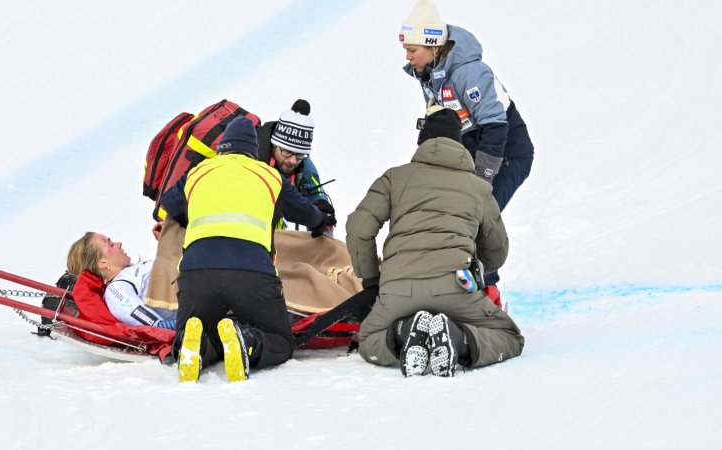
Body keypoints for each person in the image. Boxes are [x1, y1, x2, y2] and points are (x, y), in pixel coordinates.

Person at [345, 106, 524, 378]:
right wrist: (480, 269)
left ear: (422, 143)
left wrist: (371, 279)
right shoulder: (479, 188)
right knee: (509, 335)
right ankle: (457, 336)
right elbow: (498, 251)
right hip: (456, 287)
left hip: (397, 291)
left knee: (370, 339)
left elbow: (359, 228)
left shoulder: (394, 178)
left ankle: (404, 332)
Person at [164, 116, 333, 383]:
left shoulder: (197, 172)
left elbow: (168, 203)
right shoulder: (270, 176)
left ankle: (195, 345)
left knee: (195, 329)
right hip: (252, 274)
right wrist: (322, 219)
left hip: (197, 274)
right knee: (281, 340)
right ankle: (248, 340)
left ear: (222, 148)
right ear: (254, 152)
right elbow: (307, 213)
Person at [399, 0, 535, 302]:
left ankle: (488, 293)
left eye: (413, 50)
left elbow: (496, 126)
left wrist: (482, 179)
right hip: (472, 150)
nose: (407, 57)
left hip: (506, 153)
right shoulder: (429, 73)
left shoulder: (468, 72)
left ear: (433, 46)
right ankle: (452, 288)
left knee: (477, 219)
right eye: (405, 49)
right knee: (448, 217)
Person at [66, 232, 177, 329]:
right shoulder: (116, 289)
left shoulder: (137, 269)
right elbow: (158, 326)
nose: (119, 243)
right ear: (103, 263)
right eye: (110, 244)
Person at [255, 99, 335, 230]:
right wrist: (315, 217)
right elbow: (289, 201)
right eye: (287, 152)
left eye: (299, 155)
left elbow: (316, 193)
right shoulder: (255, 158)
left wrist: (323, 213)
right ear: (275, 144)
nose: (293, 161)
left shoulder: (301, 160)